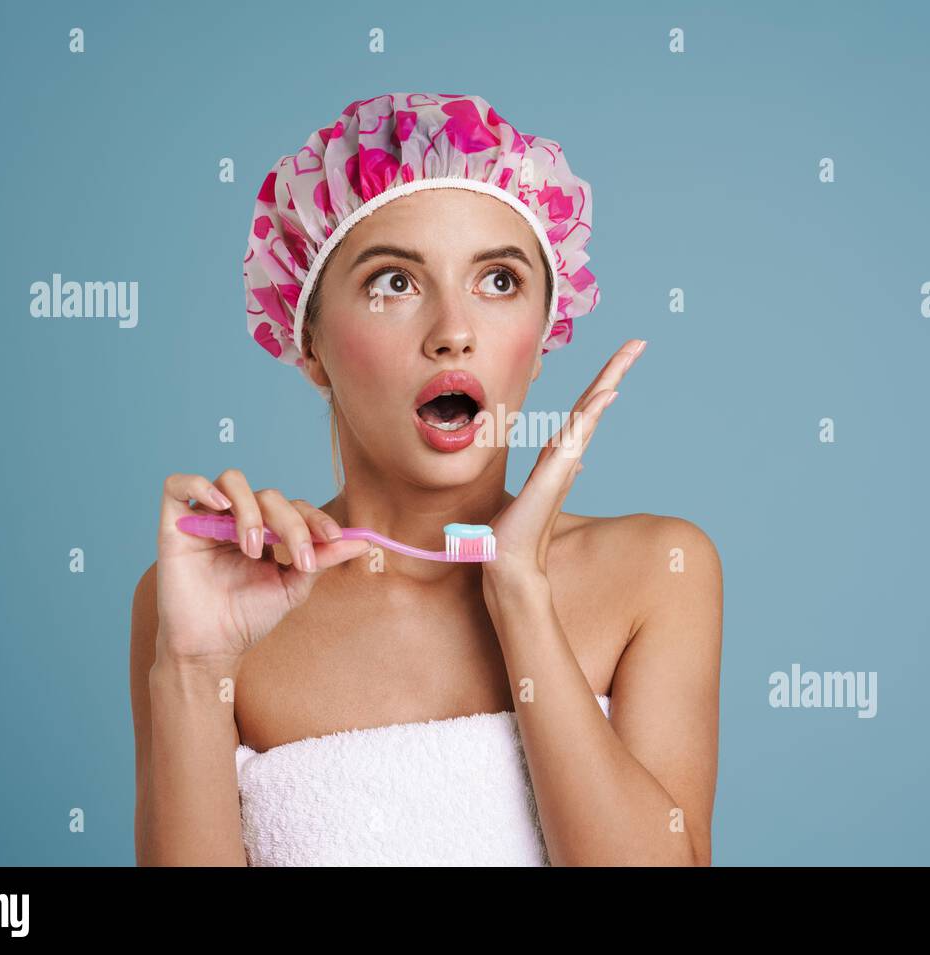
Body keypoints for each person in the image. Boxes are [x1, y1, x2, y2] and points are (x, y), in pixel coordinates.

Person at [130, 93, 723, 866]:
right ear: (309, 344)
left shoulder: (659, 570)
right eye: (395, 283)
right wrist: (194, 665)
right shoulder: (206, 601)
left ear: (544, 336)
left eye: (500, 281)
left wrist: (519, 591)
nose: (453, 332)